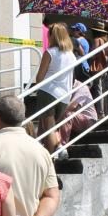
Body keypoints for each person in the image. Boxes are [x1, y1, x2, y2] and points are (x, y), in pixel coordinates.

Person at [34, 22, 77, 153]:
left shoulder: (50, 52)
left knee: (49, 128)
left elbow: (39, 77)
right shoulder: (72, 55)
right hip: (64, 96)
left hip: (48, 92)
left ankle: (56, 152)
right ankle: (54, 149)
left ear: (53, 36)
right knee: (51, 127)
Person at [58, 79, 97, 145]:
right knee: (48, 115)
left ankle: (62, 146)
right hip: (77, 118)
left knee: (67, 114)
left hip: (89, 120)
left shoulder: (81, 87)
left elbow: (73, 106)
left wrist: (56, 115)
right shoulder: (65, 87)